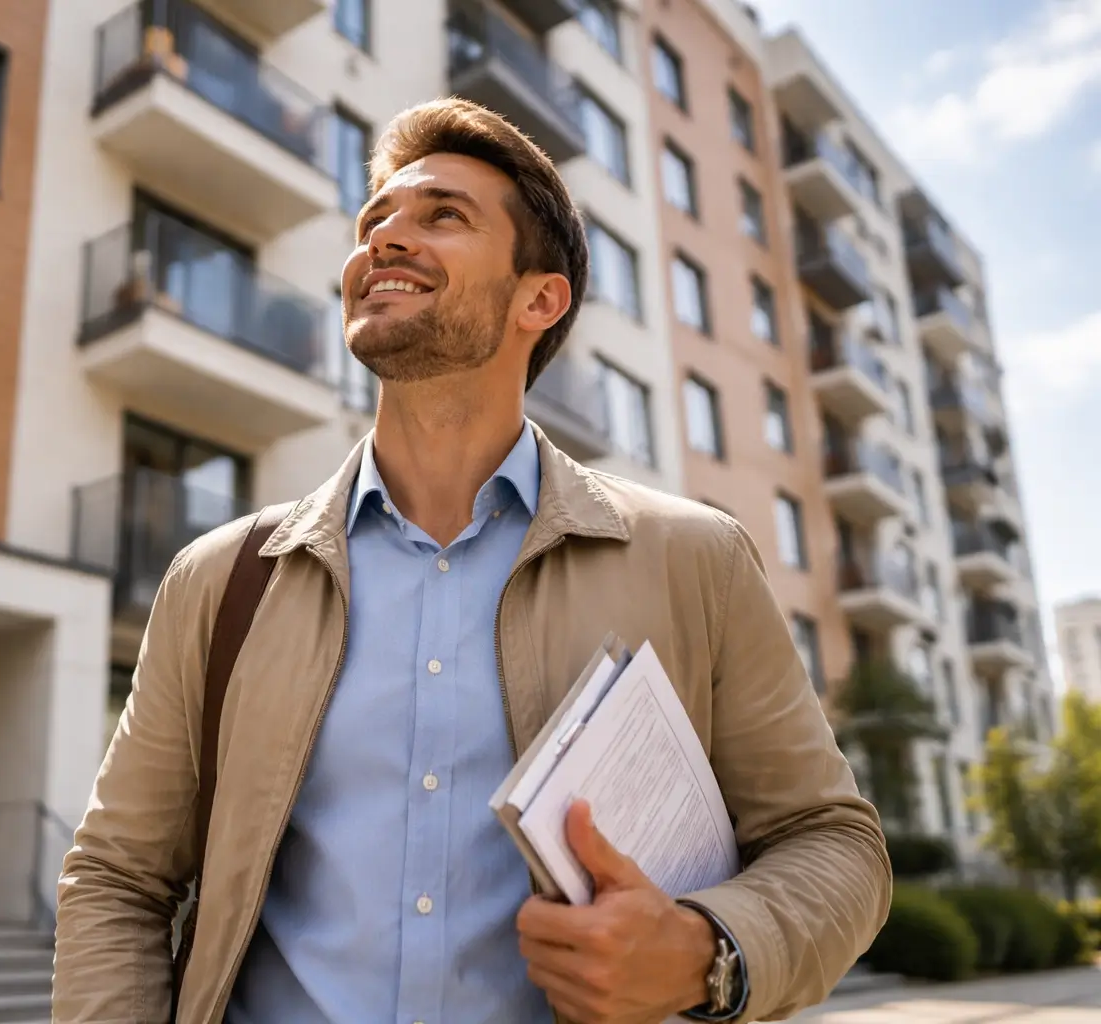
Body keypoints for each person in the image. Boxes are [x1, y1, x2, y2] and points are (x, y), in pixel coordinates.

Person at [54, 97, 891, 1024]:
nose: (387, 240)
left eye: (442, 215)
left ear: (540, 298)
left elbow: (833, 843)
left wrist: (708, 952)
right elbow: (119, 878)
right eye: (374, 221)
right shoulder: (220, 579)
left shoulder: (695, 560)